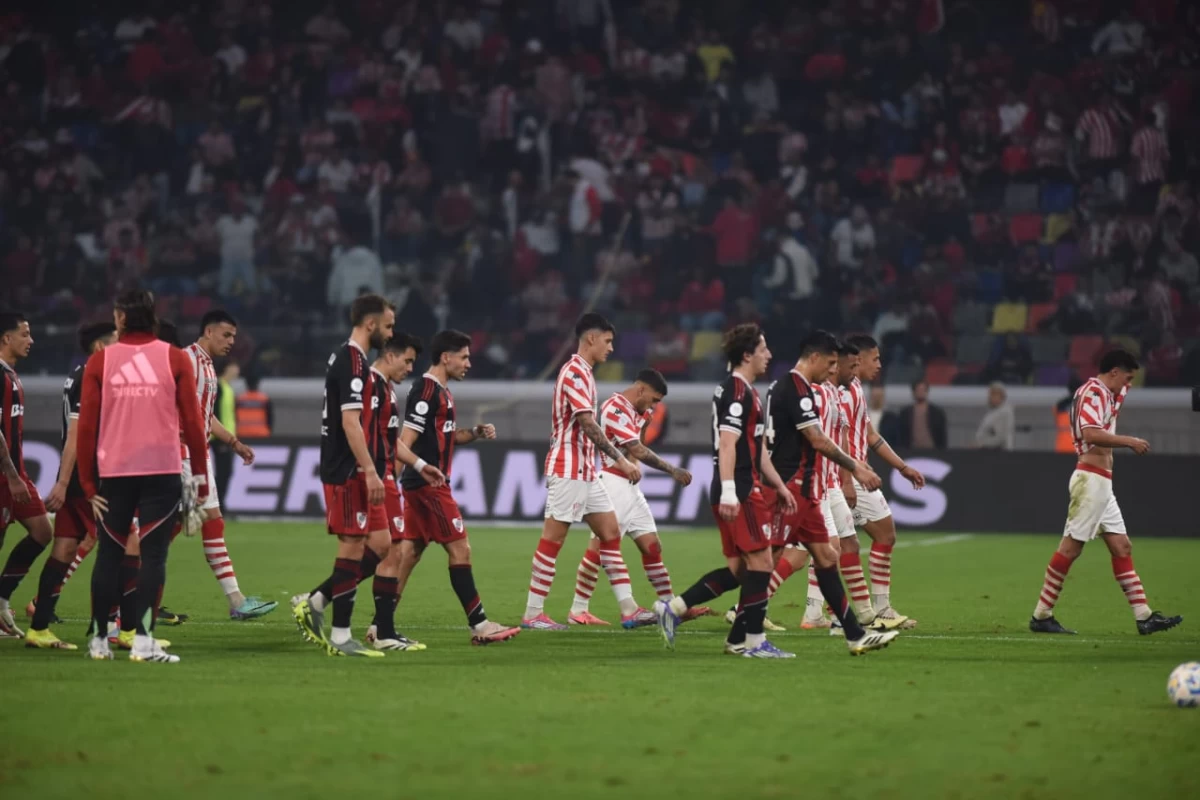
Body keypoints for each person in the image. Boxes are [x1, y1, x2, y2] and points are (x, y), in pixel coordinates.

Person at [75, 290, 211, 663]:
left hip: (114, 472)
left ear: (120, 318)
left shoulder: (100, 361)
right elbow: (194, 424)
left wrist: (87, 483)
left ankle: (99, 641)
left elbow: (86, 427)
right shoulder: (174, 357)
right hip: (161, 470)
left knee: (108, 555)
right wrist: (201, 478)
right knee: (153, 558)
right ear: (151, 315)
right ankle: (143, 643)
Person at [653, 324, 800, 658]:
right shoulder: (737, 391)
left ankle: (675, 610)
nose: (769, 356)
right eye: (763, 349)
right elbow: (730, 443)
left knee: (740, 572)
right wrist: (733, 492)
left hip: (737, 486)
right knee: (762, 562)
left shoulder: (747, 391)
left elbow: (757, 448)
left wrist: (779, 485)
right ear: (747, 355)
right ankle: (754, 641)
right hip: (740, 489)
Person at [292, 331, 442, 653]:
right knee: (389, 550)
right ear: (390, 355)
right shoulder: (369, 383)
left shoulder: (384, 388)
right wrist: (372, 472)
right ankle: (372, 629)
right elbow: (361, 432)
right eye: (407, 361)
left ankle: (321, 601)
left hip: (382, 473)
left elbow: (388, 441)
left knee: (387, 548)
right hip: (372, 475)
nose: (410, 368)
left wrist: (418, 464)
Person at [759, 331, 898, 653]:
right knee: (766, 560)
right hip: (795, 487)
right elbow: (818, 439)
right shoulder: (800, 390)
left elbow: (841, 435)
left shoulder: (828, 390)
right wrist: (855, 470)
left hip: (815, 487)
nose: (836, 370)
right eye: (833, 363)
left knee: (828, 553)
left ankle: (855, 626)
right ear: (817, 358)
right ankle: (692, 608)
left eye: (841, 364)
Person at [1029, 349, 1181, 636]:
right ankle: (1041, 615)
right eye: (1126, 377)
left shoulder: (1104, 394)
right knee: (1070, 549)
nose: (1127, 383)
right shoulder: (1094, 393)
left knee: (1121, 546)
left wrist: (1126, 387)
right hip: (1091, 482)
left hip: (1101, 484)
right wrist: (1130, 441)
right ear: (1114, 372)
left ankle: (1144, 616)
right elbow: (1090, 432)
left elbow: (1111, 406)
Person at [393, 329, 522, 646]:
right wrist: (392, 479)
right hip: (428, 484)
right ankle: (480, 624)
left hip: (421, 482)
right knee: (460, 548)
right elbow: (403, 442)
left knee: (409, 553)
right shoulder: (426, 391)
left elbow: (447, 436)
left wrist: (475, 432)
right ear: (446, 357)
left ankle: (379, 623)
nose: (468, 363)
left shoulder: (442, 391)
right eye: (464, 357)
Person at [520, 313, 646, 631]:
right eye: (607, 340)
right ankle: (533, 613)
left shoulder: (586, 374)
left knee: (610, 533)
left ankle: (629, 609)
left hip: (587, 471)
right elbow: (587, 424)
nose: (611, 348)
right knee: (554, 539)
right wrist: (621, 459)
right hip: (568, 469)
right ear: (591, 338)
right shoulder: (575, 372)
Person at [566, 369, 704, 626]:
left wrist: (644, 422)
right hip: (612, 482)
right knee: (602, 545)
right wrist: (672, 469)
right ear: (641, 389)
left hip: (629, 485)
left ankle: (670, 606)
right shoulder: (614, 408)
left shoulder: (640, 412)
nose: (654, 406)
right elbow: (637, 448)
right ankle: (595, 609)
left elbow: (637, 443)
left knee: (651, 545)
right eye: (653, 399)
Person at [24, 322, 116, 648]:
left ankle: (38, 627)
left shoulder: (76, 374)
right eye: (117, 342)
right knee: (125, 545)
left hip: (78, 478)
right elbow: (76, 435)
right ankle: (116, 629)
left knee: (64, 548)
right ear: (101, 347)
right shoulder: (92, 378)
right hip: (89, 479)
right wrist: (62, 482)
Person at [181, 310, 277, 619]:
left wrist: (234, 443)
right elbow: (185, 417)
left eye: (234, 336)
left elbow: (204, 416)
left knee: (210, 521)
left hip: (197, 454)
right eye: (226, 335)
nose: (231, 342)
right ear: (208, 331)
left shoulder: (208, 367)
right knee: (157, 533)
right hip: (181, 455)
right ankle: (124, 605)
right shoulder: (188, 362)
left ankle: (236, 600)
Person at [840, 334, 925, 629]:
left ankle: (851, 612)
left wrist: (902, 467)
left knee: (826, 547)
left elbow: (870, 436)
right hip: (845, 475)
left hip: (850, 474)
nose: (879, 364)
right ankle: (876, 610)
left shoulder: (855, 390)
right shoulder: (844, 392)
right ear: (857, 359)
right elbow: (835, 439)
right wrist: (848, 478)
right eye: (874, 359)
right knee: (874, 537)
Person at [0, 311, 54, 638]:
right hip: (6, 477)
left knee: (42, 532)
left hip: (15, 476)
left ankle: (2, 599)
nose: (30, 340)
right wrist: (11, 475)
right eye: (24, 334)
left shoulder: (12, 375)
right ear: (6, 338)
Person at [212, 361, 239, 498]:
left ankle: (220, 504)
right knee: (222, 472)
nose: (237, 370)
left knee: (226, 472)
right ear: (227, 368)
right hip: (219, 439)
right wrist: (221, 439)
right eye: (235, 366)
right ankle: (217, 505)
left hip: (227, 438)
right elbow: (214, 413)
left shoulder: (227, 387)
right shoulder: (218, 386)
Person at [974, 382, 1015, 450]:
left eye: (993, 394)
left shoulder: (1005, 412)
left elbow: (999, 437)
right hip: (987, 451)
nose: (990, 397)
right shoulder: (992, 412)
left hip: (998, 453)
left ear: (1001, 396)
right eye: (990, 394)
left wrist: (981, 444)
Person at [234, 374, 272, 439]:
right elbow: (270, 418)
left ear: (246, 384)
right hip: (262, 434)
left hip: (242, 434)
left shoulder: (239, 400)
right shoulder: (264, 399)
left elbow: (234, 417)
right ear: (258, 384)